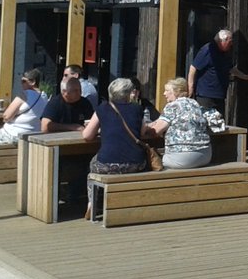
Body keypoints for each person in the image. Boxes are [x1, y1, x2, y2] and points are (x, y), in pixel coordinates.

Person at [83, 77, 148, 219]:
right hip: (135, 164)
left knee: (92, 164)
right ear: (129, 93)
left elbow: (87, 135)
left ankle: (92, 203)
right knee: (144, 163)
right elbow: (143, 132)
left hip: (107, 164)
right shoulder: (137, 109)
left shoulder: (102, 108)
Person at [146, 78, 211, 169]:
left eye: (167, 90)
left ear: (176, 92)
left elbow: (156, 131)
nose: (164, 93)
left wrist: (145, 128)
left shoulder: (173, 106)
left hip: (182, 158)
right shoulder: (195, 103)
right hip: (205, 155)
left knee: (153, 161)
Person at [187, 28, 248, 116]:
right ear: (223, 40)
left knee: (219, 122)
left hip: (219, 96)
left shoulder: (225, 53)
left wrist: (245, 76)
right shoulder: (208, 50)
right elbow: (193, 68)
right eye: (230, 42)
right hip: (206, 96)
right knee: (206, 121)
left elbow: (231, 68)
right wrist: (190, 87)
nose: (231, 44)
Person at [0, 69, 46, 145]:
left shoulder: (25, 94)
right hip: (33, 134)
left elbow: (6, 116)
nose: (21, 84)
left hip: (15, 134)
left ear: (33, 82)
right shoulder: (44, 96)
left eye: (24, 81)